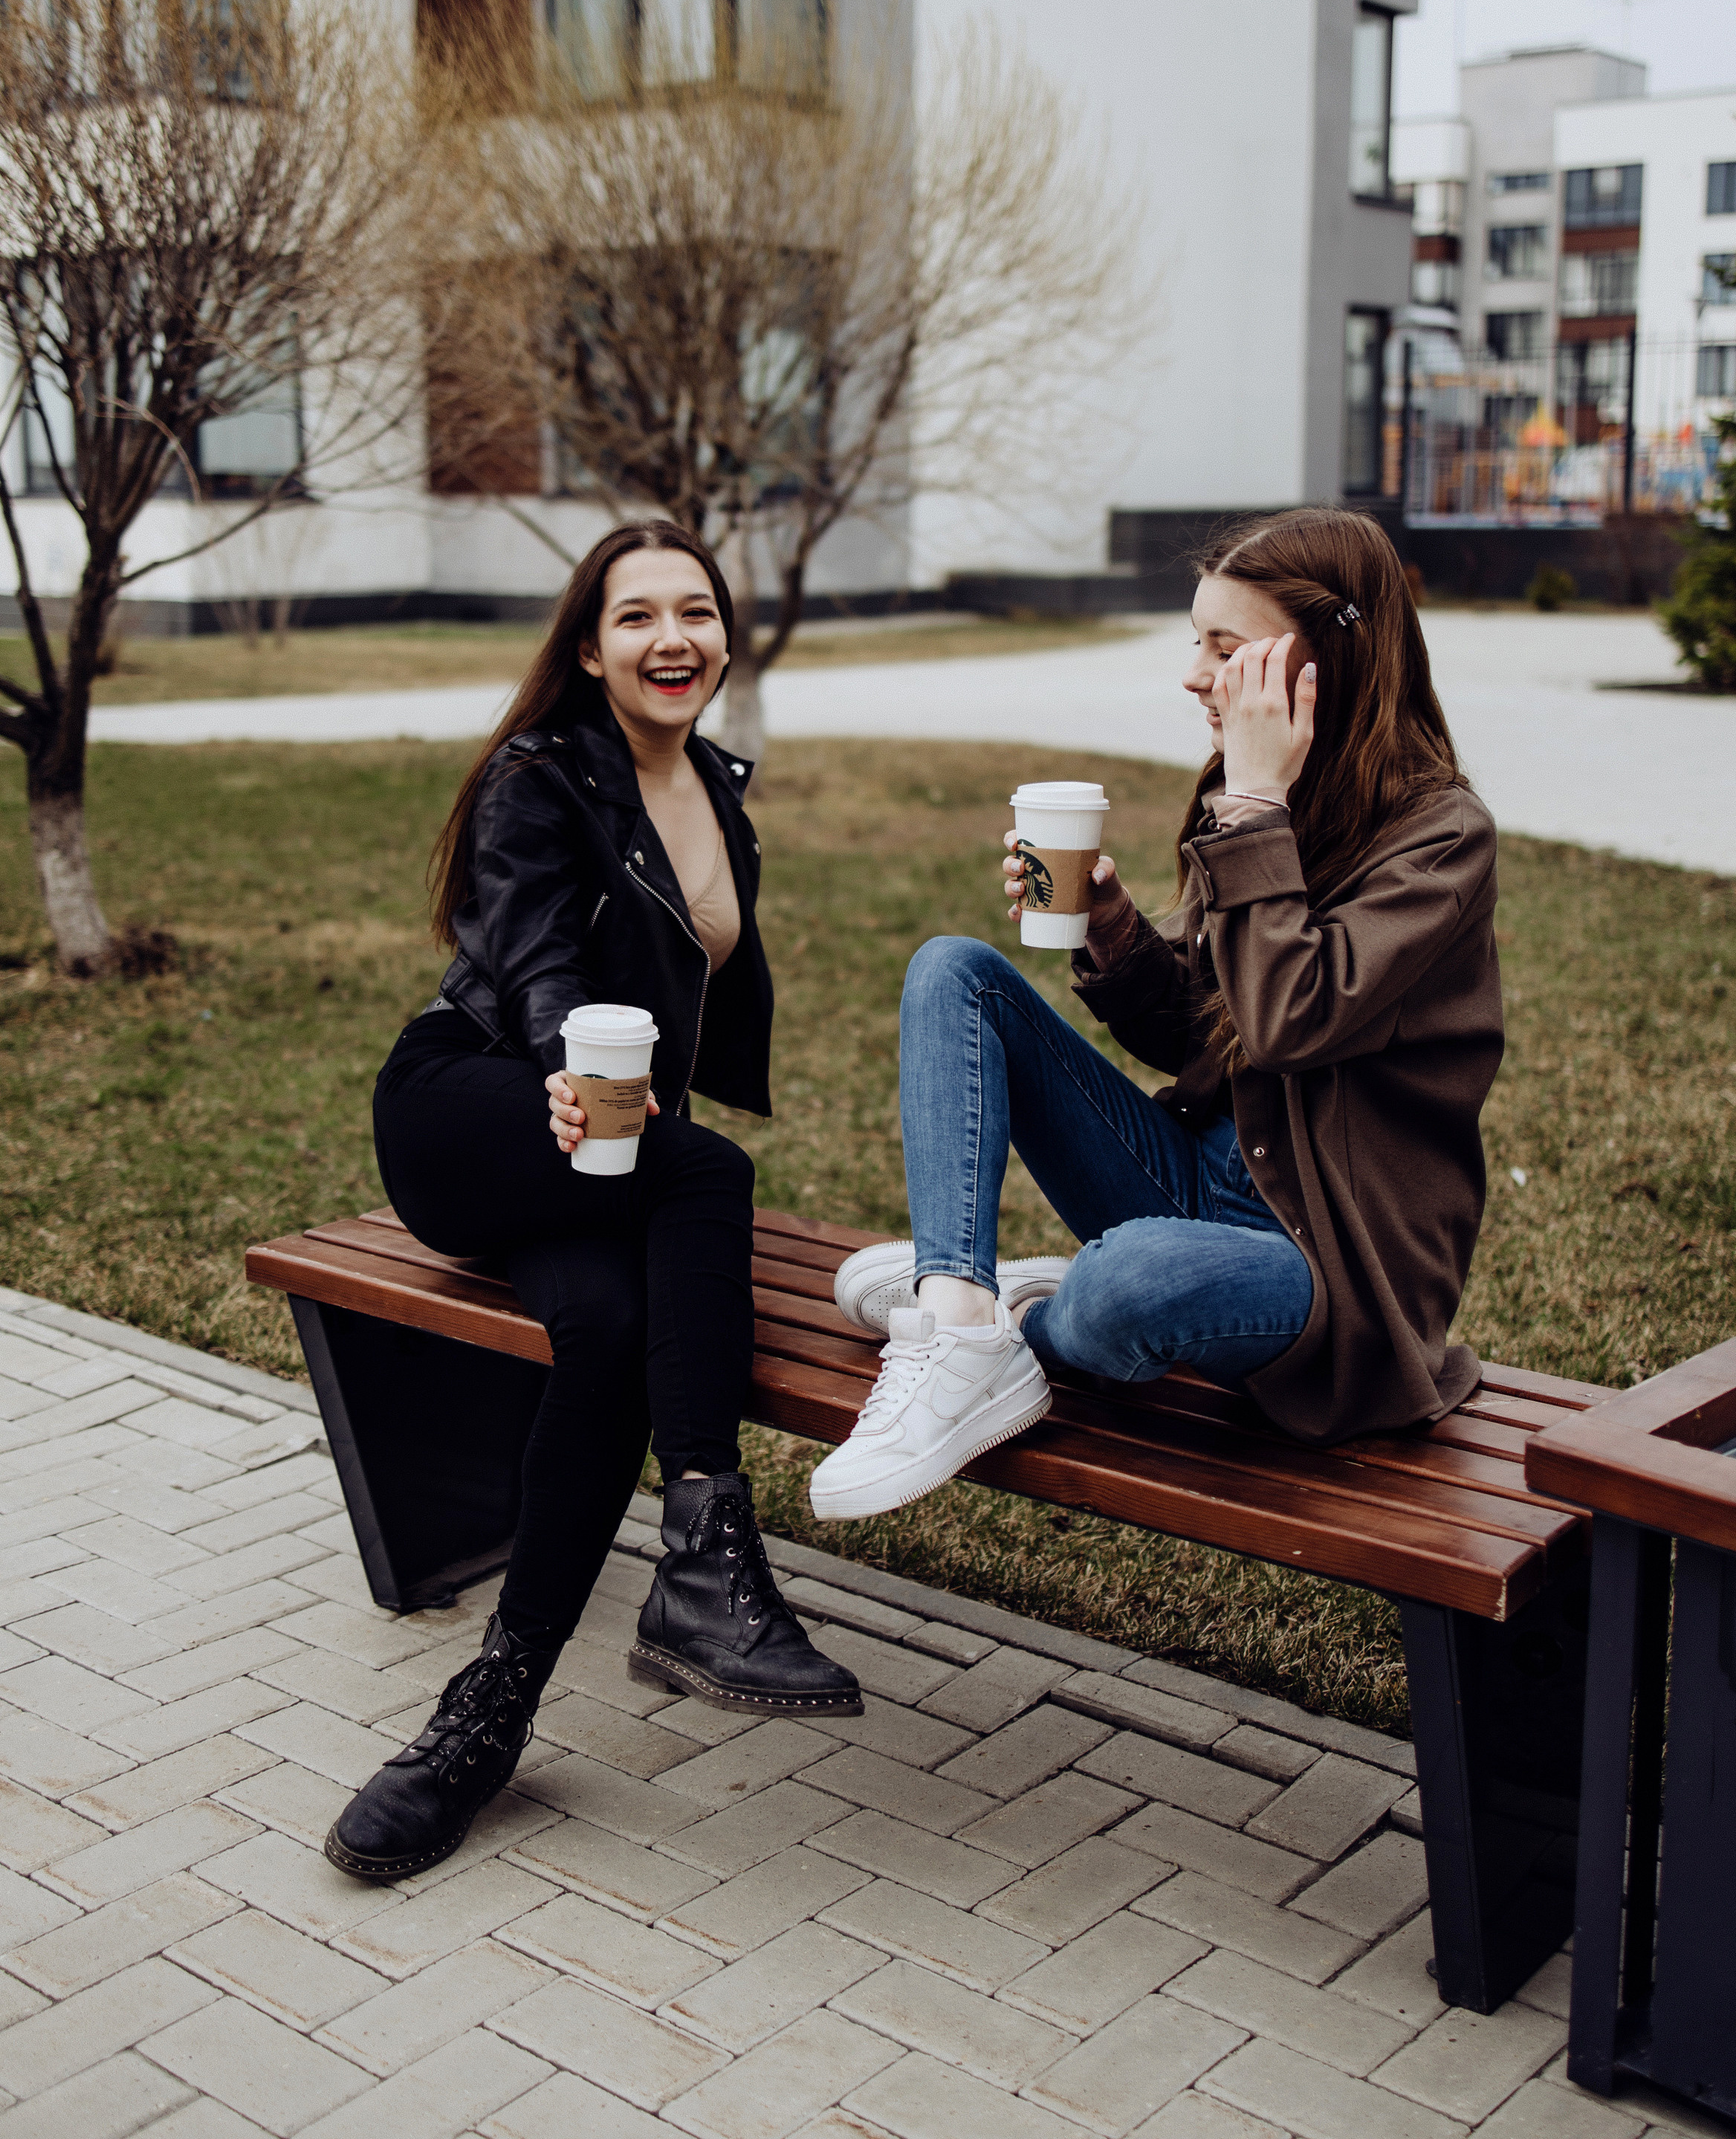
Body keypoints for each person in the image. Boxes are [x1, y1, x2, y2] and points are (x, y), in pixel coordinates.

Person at [326, 520, 859, 1884]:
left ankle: (484, 1721)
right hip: (476, 1107)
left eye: (698, 610)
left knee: (614, 1335)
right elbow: (533, 952)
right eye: (637, 616)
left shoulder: (717, 792)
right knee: (710, 1170)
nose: (671, 636)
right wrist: (576, 1070)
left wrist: (622, 1109)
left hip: (603, 1152)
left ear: (726, 637)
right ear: (588, 646)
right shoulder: (540, 777)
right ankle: (703, 1547)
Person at [809, 507, 1503, 1518]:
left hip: (1326, 1267)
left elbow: (1290, 1025)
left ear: (1330, 656)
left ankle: (1024, 1319)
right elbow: (1208, 1036)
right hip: (1194, 1178)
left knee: (1129, 1284)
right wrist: (1114, 930)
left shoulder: (1440, 839)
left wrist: (1256, 811)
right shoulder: (1258, 791)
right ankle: (958, 1316)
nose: (1195, 676)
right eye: (1198, 643)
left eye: (1226, 648)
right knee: (954, 971)